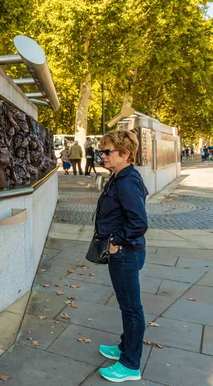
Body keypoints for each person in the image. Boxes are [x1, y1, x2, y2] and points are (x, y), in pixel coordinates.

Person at [95, 130, 148, 383]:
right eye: (102, 151)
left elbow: (139, 222)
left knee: (131, 308)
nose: (102, 155)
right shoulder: (119, 177)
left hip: (125, 253)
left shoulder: (126, 181)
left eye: (108, 151)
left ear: (125, 154)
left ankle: (130, 365)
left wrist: (116, 241)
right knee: (127, 306)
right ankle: (124, 348)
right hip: (125, 252)